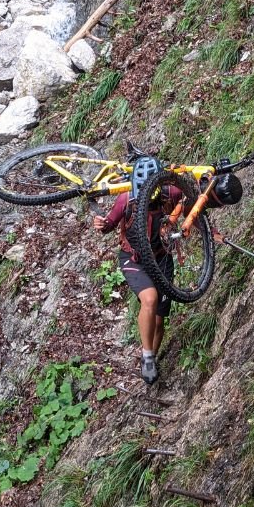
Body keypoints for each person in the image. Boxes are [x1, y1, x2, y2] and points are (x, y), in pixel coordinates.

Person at [94, 155, 176, 385]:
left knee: (159, 322)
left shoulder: (171, 193)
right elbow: (109, 224)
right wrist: (101, 224)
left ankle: (150, 356)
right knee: (149, 300)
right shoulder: (125, 198)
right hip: (134, 259)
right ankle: (147, 356)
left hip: (162, 259)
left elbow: (193, 208)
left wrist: (213, 233)